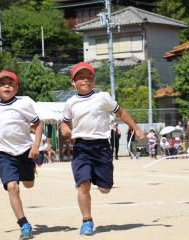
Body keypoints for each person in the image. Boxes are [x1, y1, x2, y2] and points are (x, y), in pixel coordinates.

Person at [60, 62, 145, 236]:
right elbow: (65, 121)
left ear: (93, 80)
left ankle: (97, 178)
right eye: (80, 77)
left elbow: (121, 112)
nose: (85, 79)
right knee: (83, 185)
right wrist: (63, 127)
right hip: (81, 147)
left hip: (102, 147)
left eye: (88, 76)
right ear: (72, 82)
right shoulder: (70, 102)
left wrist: (135, 128)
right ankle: (86, 221)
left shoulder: (102, 97)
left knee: (105, 189)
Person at [0, 69, 42, 240]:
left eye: (11, 84)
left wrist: (36, 146)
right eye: (2, 84)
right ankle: (24, 224)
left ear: (16, 88)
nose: (7, 86)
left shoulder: (24, 104)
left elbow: (39, 124)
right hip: (5, 153)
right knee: (12, 187)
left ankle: (31, 171)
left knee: (29, 184)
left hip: (25, 151)